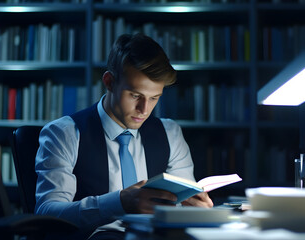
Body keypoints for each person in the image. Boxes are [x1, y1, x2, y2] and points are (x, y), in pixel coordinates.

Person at [34, 33, 213, 240]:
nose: (144, 109)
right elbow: (48, 214)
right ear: (109, 82)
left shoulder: (170, 133)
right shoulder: (64, 133)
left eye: (154, 98)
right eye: (135, 96)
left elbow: (182, 203)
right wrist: (118, 202)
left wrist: (195, 209)